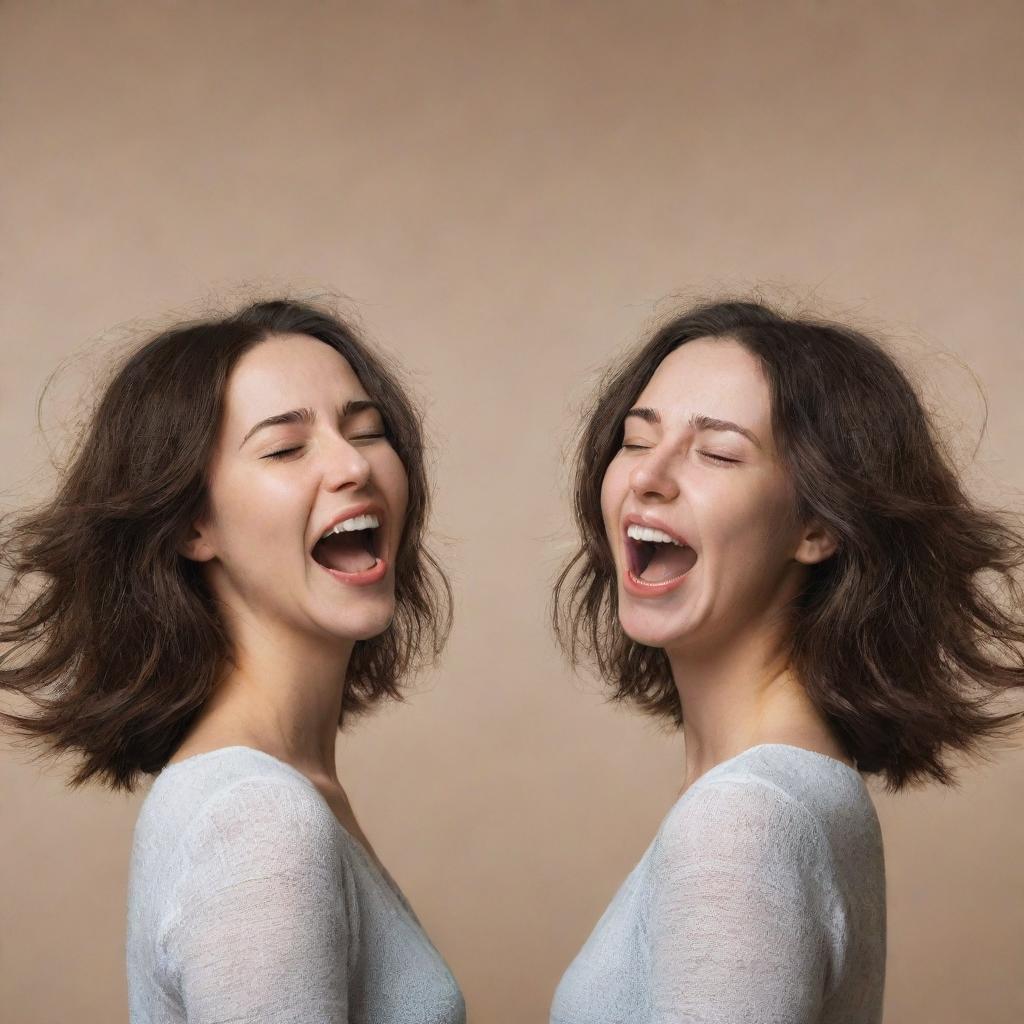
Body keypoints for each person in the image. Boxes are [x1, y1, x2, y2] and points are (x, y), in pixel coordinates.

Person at [549, 298, 1024, 1023]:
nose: (650, 477)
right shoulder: (803, 789)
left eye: (717, 452)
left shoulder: (744, 820)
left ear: (816, 526)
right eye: (637, 440)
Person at [0, 298, 465, 1023]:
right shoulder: (257, 820)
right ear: (193, 524)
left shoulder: (273, 794)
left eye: (367, 432)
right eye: (285, 449)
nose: (353, 465)